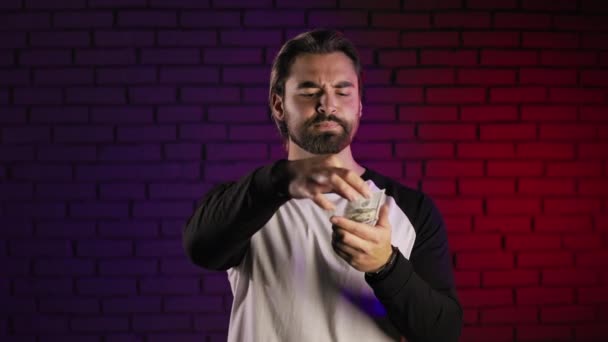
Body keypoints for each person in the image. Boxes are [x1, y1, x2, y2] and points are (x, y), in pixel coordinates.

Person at [183, 29, 462, 342]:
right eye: (309, 91)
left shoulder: (410, 208)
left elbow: (443, 332)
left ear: (359, 105)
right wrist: (284, 179)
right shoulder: (253, 200)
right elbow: (200, 248)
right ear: (278, 105)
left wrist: (386, 266)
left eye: (342, 92)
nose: (327, 105)